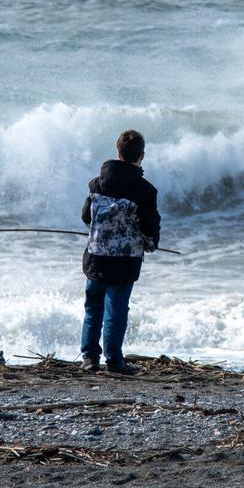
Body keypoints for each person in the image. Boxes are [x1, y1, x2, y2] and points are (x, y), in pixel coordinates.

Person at [80, 129, 160, 374]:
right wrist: (151, 244)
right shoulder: (145, 191)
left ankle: (90, 357)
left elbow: (86, 216)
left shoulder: (96, 184)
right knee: (116, 309)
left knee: (94, 306)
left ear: (118, 152)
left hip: (95, 257)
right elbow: (149, 227)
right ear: (141, 156)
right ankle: (114, 361)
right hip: (124, 262)